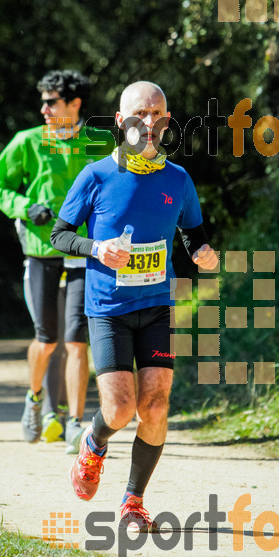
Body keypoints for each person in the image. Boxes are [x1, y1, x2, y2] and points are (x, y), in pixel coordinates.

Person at [50, 81, 218, 530]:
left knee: (157, 404)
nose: (150, 123)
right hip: (107, 309)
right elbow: (59, 235)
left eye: (159, 115)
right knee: (121, 408)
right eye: (141, 115)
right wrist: (96, 249)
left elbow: (193, 232)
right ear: (121, 122)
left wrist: (203, 252)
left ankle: (133, 501)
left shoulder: (178, 179)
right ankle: (93, 443)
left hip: (156, 305)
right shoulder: (96, 176)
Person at [0, 70, 114, 453]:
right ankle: (35, 398)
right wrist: (25, 207)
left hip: (83, 252)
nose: (43, 108)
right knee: (46, 341)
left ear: (74, 104)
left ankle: (76, 423)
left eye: (51, 101)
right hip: (40, 252)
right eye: (42, 101)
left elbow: (116, 189)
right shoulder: (26, 142)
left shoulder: (100, 141)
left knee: (77, 343)